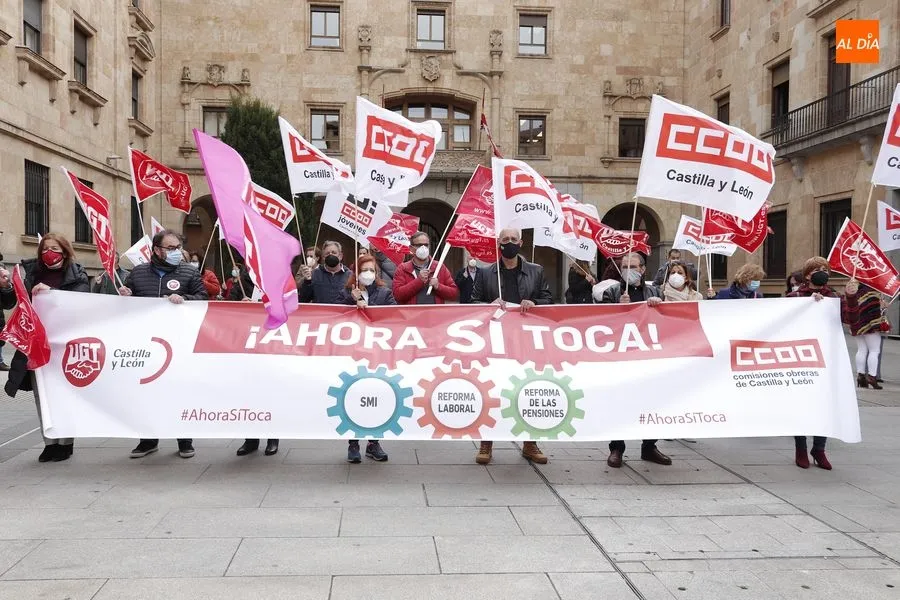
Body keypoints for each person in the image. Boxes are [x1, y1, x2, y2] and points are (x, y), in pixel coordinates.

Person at [119, 230, 207, 459]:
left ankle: (184, 440)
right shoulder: (137, 274)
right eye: (170, 248)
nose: (176, 252)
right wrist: (125, 294)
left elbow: (204, 298)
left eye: (178, 247)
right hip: (146, 344)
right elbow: (125, 305)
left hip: (178, 343)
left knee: (179, 391)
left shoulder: (189, 272)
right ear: (157, 250)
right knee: (146, 392)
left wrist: (185, 300)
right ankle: (148, 440)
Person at [0, 234, 89, 462]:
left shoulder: (77, 273)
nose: (49, 252)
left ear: (65, 250)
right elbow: (12, 302)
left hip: (63, 345)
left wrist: (52, 294)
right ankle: (49, 442)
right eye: (45, 248)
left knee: (63, 394)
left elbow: (81, 303)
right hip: (35, 343)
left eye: (55, 248)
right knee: (42, 395)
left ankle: (65, 442)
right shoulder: (29, 271)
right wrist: (7, 286)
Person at [471, 228, 553, 465]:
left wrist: (534, 302)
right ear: (499, 243)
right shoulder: (486, 273)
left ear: (521, 242)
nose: (509, 243)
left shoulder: (535, 271)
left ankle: (530, 443)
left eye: (513, 240)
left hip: (525, 342)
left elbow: (549, 300)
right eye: (505, 240)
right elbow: (472, 303)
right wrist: (489, 305)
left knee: (527, 390)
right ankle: (487, 442)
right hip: (495, 342)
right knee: (492, 390)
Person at [600, 252, 670, 468]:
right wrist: (618, 308)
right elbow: (601, 324)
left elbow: (665, 321)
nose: (627, 270)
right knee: (619, 401)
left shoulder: (654, 291)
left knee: (652, 400)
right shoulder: (611, 292)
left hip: (647, 356)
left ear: (642, 269)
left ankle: (649, 446)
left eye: (632, 266)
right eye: (624, 266)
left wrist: (659, 304)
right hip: (620, 356)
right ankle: (616, 448)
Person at [786, 256, 856, 470]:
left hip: (827, 357)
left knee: (825, 402)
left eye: (825, 269)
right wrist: (807, 305)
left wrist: (851, 298)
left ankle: (819, 448)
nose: (822, 272)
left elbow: (851, 321)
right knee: (801, 403)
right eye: (817, 269)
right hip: (802, 357)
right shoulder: (794, 296)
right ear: (807, 274)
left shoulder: (834, 297)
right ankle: (800, 447)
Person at [338, 254, 395, 463]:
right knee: (352, 396)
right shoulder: (346, 291)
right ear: (357, 273)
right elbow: (334, 315)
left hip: (376, 355)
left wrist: (368, 309)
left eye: (372, 270)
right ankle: (353, 444)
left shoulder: (384, 292)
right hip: (352, 354)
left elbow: (394, 317)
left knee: (377, 396)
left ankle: (374, 443)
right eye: (365, 270)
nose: (369, 274)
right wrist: (350, 300)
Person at [230, 266, 279, 456]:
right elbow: (227, 306)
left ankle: (273, 437)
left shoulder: (277, 280)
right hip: (247, 344)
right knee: (248, 392)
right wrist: (240, 303)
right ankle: (250, 439)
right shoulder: (242, 282)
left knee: (269, 391)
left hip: (271, 342)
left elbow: (290, 305)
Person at [392, 232, 459, 305]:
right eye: (419, 245)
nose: (423, 248)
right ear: (411, 248)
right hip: (412, 315)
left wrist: (438, 286)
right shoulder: (403, 268)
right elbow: (397, 296)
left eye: (426, 245)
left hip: (435, 314)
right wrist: (418, 281)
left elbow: (454, 294)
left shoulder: (439, 267)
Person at [846, 282, 884, 391]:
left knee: (861, 349)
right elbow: (874, 309)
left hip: (857, 324)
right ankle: (872, 377)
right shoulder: (873, 290)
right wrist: (882, 305)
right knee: (874, 350)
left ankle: (861, 376)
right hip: (870, 323)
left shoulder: (854, 289)